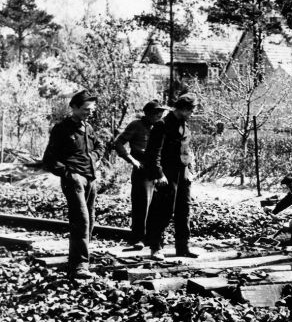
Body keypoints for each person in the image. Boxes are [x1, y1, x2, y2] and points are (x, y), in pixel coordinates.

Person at [42, 89, 101, 279]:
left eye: (91, 110)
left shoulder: (88, 128)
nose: (89, 113)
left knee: (89, 219)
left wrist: (94, 158)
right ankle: (79, 265)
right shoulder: (62, 129)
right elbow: (49, 160)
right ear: (74, 107)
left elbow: (100, 146)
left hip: (90, 178)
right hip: (74, 181)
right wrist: (69, 174)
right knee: (81, 220)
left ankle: (80, 257)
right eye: (86, 109)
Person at [144, 94, 199, 261]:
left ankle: (183, 246)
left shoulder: (184, 126)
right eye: (190, 110)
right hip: (167, 174)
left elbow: (187, 150)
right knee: (163, 210)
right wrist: (159, 174)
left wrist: (190, 169)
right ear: (181, 108)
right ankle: (156, 247)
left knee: (184, 210)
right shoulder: (162, 125)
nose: (192, 113)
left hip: (182, 174)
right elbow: (154, 152)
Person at [114, 100, 168, 249]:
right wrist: (131, 160)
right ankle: (138, 239)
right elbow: (118, 143)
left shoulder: (161, 127)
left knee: (158, 206)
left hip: (158, 170)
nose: (159, 115)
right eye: (156, 112)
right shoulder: (136, 125)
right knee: (141, 205)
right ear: (148, 113)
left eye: (161, 112)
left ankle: (154, 239)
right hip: (142, 170)